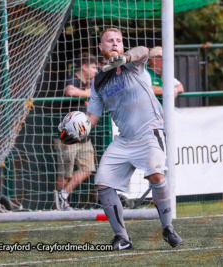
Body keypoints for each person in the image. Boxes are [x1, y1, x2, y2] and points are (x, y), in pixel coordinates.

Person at [59, 28, 183, 250]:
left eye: (118, 40)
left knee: (156, 174)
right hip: (124, 139)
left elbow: (144, 50)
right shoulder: (98, 81)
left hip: (149, 132)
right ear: (101, 47)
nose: (115, 43)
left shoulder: (132, 63)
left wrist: (125, 57)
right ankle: (122, 238)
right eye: (109, 41)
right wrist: (76, 132)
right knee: (102, 182)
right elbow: (92, 118)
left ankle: (167, 228)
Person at [53, 52, 98, 210]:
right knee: (66, 173)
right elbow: (69, 91)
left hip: (84, 136)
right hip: (68, 136)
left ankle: (63, 194)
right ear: (84, 67)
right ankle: (62, 204)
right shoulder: (73, 79)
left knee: (88, 168)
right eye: (93, 68)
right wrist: (89, 93)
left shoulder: (89, 83)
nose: (95, 71)